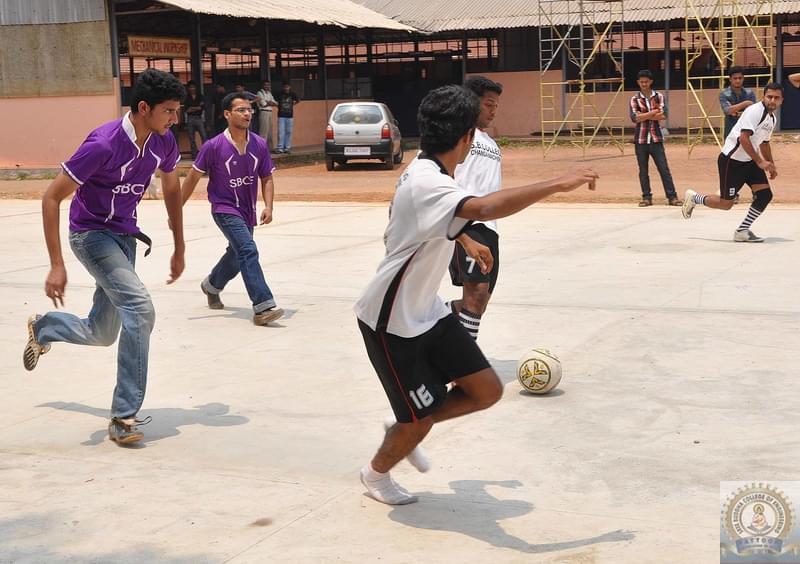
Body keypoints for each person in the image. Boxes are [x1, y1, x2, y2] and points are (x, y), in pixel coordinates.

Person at [354, 85, 598, 505]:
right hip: (391, 322)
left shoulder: (431, 170)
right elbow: (483, 208)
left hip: (427, 311)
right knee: (416, 422)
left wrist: (465, 239)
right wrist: (557, 183)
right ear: (467, 137)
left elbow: (440, 217)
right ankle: (377, 473)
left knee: (486, 390)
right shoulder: (427, 180)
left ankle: (409, 425)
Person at [22, 68, 187, 445]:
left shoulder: (162, 141)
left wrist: (179, 245)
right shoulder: (103, 144)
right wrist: (57, 264)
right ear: (144, 107)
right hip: (91, 236)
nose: (174, 119)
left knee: (102, 332)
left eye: (177, 111)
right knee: (140, 307)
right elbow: (51, 198)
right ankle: (124, 416)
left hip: (124, 238)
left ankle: (44, 327)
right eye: (169, 111)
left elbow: (173, 186)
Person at [179, 93, 284, 326]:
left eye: (249, 110)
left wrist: (269, 206)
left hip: (248, 209)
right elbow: (193, 177)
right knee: (248, 249)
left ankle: (211, 285)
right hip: (224, 208)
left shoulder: (259, 144)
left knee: (237, 255)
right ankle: (263, 306)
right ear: (227, 114)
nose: (247, 114)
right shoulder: (213, 147)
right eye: (241, 110)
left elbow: (266, 177)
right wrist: (176, 209)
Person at [682, 83, 784, 242]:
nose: (772, 100)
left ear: (781, 100)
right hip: (732, 160)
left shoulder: (771, 118)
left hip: (749, 161)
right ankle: (695, 198)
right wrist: (760, 162)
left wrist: (770, 164)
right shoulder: (755, 111)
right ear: (763, 97)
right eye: (769, 96)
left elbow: (764, 143)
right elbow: (743, 138)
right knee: (726, 204)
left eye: (776, 98)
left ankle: (742, 231)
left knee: (765, 195)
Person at [447, 76, 503, 340]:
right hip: (466, 224)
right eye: (488, 104)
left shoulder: (491, 143)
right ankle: (464, 368)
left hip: (490, 228)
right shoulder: (457, 136)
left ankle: (428, 322)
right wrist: (461, 235)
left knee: (479, 303)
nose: (493, 110)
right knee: (476, 295)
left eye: (496, 105)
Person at [629, 69, 680, 207]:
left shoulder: (659, 96)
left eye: (646, 81)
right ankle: (646, 197)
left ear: (650, 82)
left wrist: (644, 115)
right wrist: (653, 112)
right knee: (643, 170)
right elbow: (635, 118)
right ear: (638, 83)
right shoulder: (634, 99)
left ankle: (672, 196)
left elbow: (663, 115)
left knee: (664, 169)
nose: (644, 84)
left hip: (656, 138)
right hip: (640, 140)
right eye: (641, 82)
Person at [719, 66, 756, 139]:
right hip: (731, 131)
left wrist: (735, 110)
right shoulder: (724, 94)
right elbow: (728, 111)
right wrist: (746, 104)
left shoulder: (750, 93)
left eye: (740, 78)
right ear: (730, 79)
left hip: (747, 130)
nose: (738, 81)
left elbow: (754, 112)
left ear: (743, 78)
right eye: (735, 78)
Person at [184, 80, 208, 159]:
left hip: (199, 118)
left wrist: (192, 108)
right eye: (190, 87)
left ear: (196, 88)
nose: (192, 88)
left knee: (204, 136)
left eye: (193, 87)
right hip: (190, 119)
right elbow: (187, 110)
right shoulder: (187, 97)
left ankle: (206, 154)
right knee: (191, 138)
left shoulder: (200, 96)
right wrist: (197, 107)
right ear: (188, 88)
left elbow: (202, 108)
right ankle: (194, 155)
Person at [276, 82, 300, 154]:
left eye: (287, 87)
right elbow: (275, 101)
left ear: (289, 87)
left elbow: (298, 100)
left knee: (289, 132)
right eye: (285, 87)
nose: (286, 88)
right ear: (283, 87)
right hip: (281, 115)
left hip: (290, 116)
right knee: (281, 132)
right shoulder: (279, 94)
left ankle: (287, 148)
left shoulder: (292, 94)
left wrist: (292, 105)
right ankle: (280, 148)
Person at [256, 80, 278, 147]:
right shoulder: (259, 93)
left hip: (269, 113)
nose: (267, 86)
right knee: (263, 132)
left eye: (268, 85)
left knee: (269, 132)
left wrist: (268, 102)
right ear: (262, 85)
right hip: (263, 112)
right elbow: (263, 104)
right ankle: (261, 148)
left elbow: (276, 103)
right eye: (265, 85)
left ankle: (269, 148)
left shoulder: (269, 93)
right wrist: (269, 102)